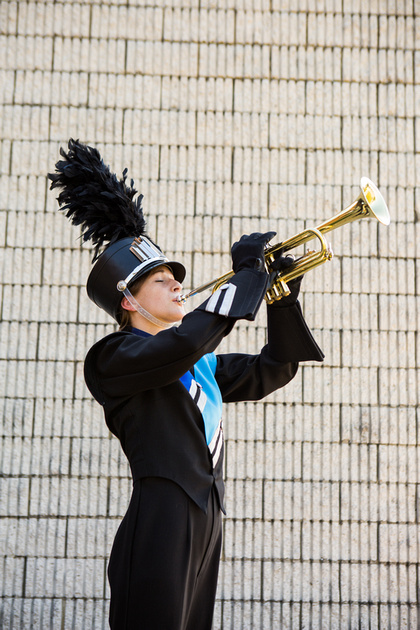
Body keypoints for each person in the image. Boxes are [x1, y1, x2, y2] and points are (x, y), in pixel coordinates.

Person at [49, 139, 324, 630]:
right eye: (161, 281)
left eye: (176, 278)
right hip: (160, 521)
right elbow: (179, 346)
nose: (178, 284)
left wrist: (281, 299)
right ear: (129, 303)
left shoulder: (199, 364)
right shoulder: (113, 358)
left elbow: (275, 367)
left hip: (208, 522)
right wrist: (243, 279)